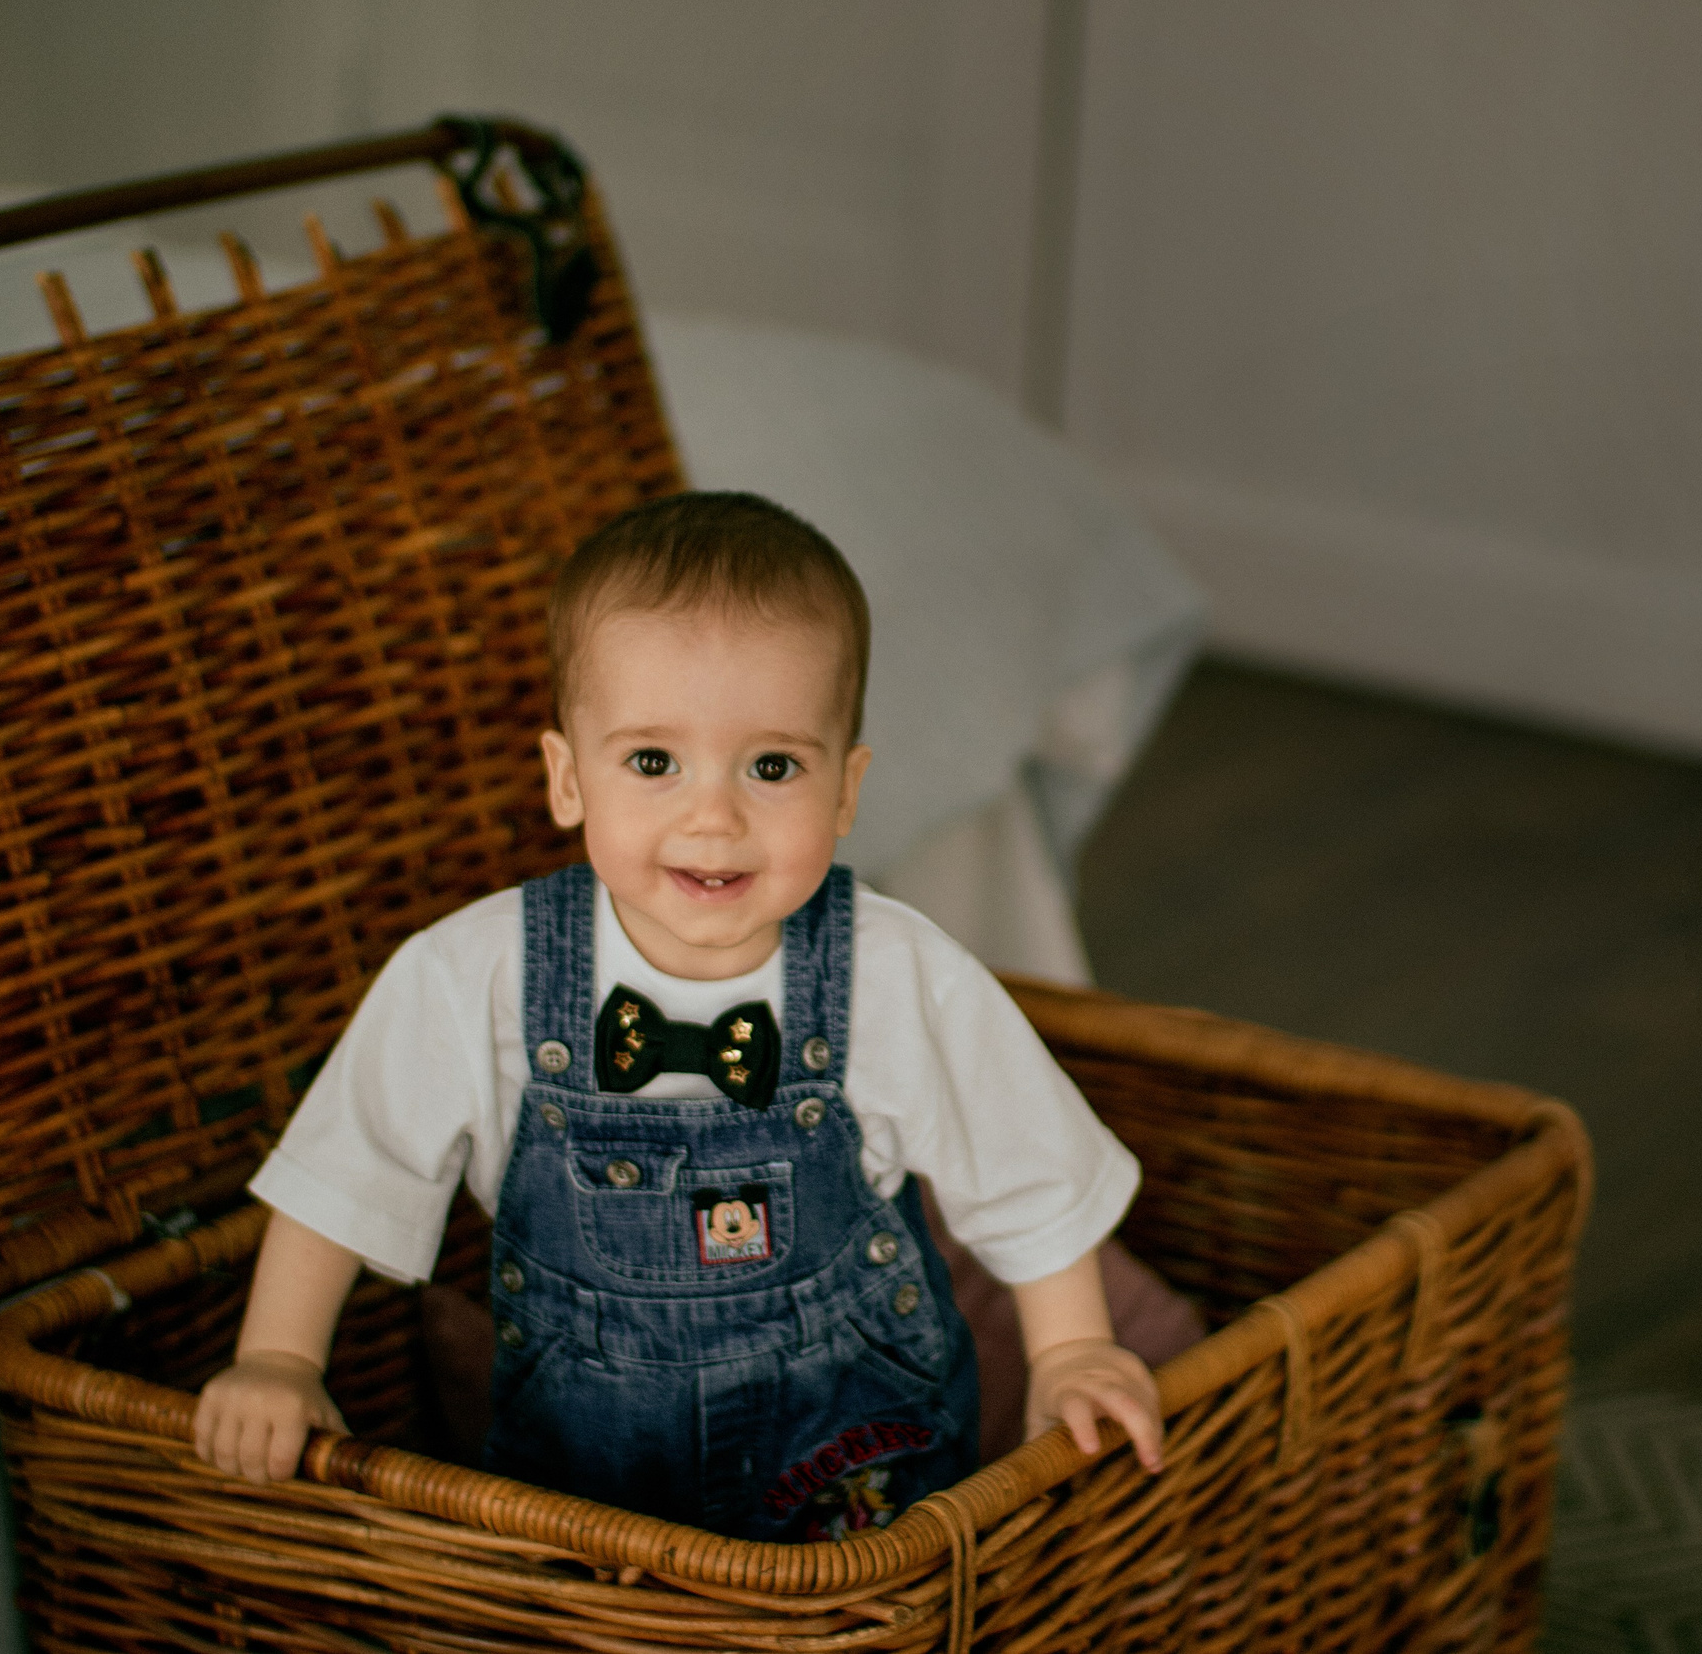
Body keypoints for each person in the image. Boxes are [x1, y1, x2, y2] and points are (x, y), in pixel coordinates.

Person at [192, 491, 1164, 1539]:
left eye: (773, 766)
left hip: (854, 1479)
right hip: (578, 1499)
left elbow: (1026, 1168)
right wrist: (279, 1360)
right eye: (653, 763)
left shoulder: (895, 970)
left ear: (846, 791)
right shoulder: (471, 974)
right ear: (568, 777)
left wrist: (1069, 1350)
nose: (715, 816)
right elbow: (343, 1170)